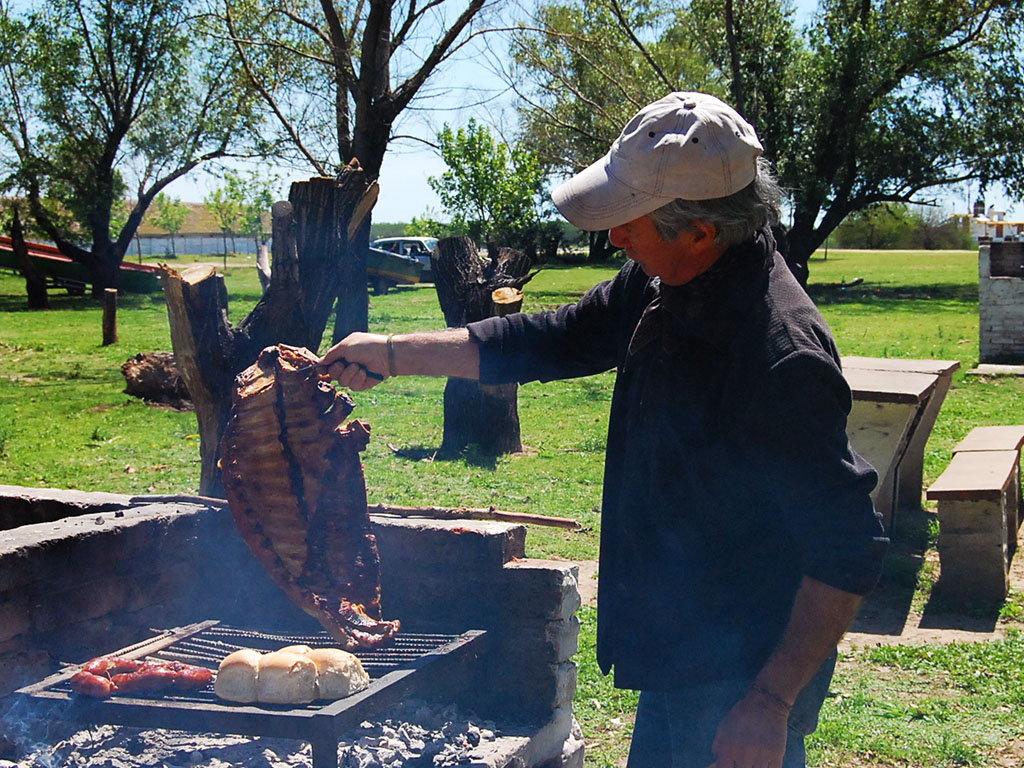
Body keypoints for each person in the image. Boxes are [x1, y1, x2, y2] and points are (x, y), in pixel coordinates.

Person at [321, 92, 888, 768]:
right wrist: (391, 351)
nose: (615, 237)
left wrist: (769, 704)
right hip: (678, 653)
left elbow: (847, 547)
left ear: (701, 231)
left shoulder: (779, 357)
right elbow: (552, 339)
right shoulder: (671, 280)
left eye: (631, 222)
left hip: (739, 679)